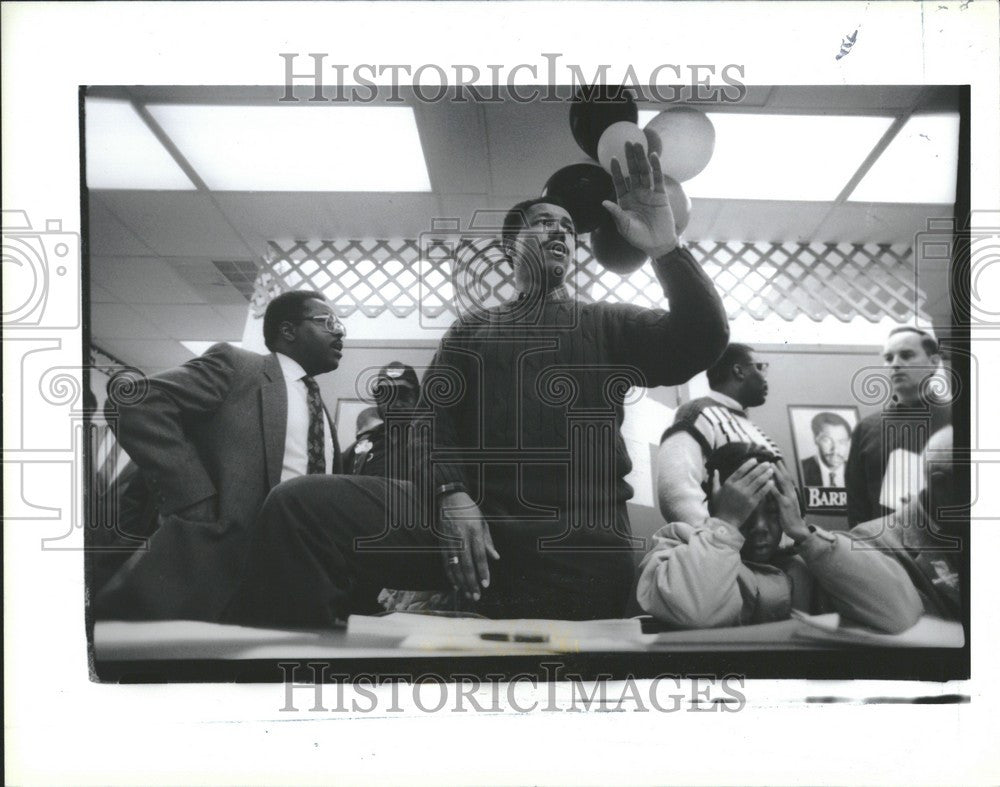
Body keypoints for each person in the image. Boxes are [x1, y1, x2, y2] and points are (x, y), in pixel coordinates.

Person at [227, 143, 729, 626]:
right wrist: (451, 496)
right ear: (513, 246)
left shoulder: (608, 324)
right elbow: (429, 423)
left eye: (569, 228)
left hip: (578, 548)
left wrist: (666, 249)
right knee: (300, 507)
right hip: (470, 528)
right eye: (543, 223)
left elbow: (701, 340)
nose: (560, 233)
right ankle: (283, 676)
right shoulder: (471, 330)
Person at [93, 290, 345, 621]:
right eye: (328, 322)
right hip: (214, 580)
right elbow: (134, 400)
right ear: (288, 330)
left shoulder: (320, 409)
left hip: (291, 588)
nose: (340, 331)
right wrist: (193, 497)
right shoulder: (239, 367)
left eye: (339, 324)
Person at [637, 442, 926, 632]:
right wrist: (725, 524)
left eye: (774, 511)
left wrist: (803, 533)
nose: (761, 526)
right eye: (745, 509)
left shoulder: (811, 561)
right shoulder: (675, 547)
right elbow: (697, 611)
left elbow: (899, 614)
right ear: (715, 502)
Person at [656, 342, 782, 527]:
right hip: (726, 551)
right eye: (760, 367)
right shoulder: (695, 414)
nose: (765, 377)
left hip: (773, 553)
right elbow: (676, 494)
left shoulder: (754, 429)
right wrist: (718, 542)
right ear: (739, 371)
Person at [845, 326, 950, 527]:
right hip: (885, 550)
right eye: (889, 358)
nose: (895, 364)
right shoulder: (866, 429)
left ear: (933, 363)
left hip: (950, 548)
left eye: (906, 355)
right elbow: (857, 507)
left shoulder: (961, 420)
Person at [342, 362, 420, 478]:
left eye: (403, 394)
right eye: (387, 395)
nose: (395, 404)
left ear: (418, 397)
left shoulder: (432, 443)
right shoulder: (358, 449)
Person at [801, 411, 852, 487]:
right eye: (827, 440)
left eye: (842, 442)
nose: (835, 450)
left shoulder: (859, 472)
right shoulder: (801, 469)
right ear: (815, 439)